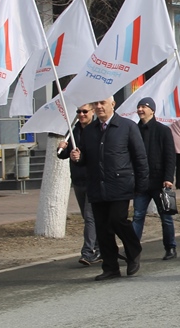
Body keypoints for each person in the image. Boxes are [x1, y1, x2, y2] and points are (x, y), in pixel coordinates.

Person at [69, 96, 148, 281]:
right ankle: (110, 267)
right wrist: (78, 158)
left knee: (117, 220)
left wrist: (142, 185)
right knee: (102, 228)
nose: (99, 107)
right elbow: (85, 160)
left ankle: (134, 250)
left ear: (113, 104)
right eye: (96, 103)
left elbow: (140, 157)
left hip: (119, 184)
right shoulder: (89, 131)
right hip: (97, 186)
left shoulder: (127, 127)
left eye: (102, 103)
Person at [131, 97, 177, 260]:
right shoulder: (133, 130)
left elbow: (170, 156)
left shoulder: (163, 130)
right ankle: (133, 250)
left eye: (144, 106)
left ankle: (170, 247)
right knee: (137, 216)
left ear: (152, 110)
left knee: (166, 217)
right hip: (140, 182)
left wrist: (168, 178)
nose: (140, 110)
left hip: (159, 182)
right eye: (139, 107)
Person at [57, 104, 100, 265]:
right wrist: (61, 149)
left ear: (92, 112)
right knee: (88, 217)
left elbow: (97, 154)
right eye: (78, 112)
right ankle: (99, 248)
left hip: (93, 179)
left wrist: (82, 156)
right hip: (78, 180)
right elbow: (64, 156)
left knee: (90, 217)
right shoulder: (73, 131)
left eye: (85, 111)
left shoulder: (97, 130)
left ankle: (87, 252)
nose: (81, 115)